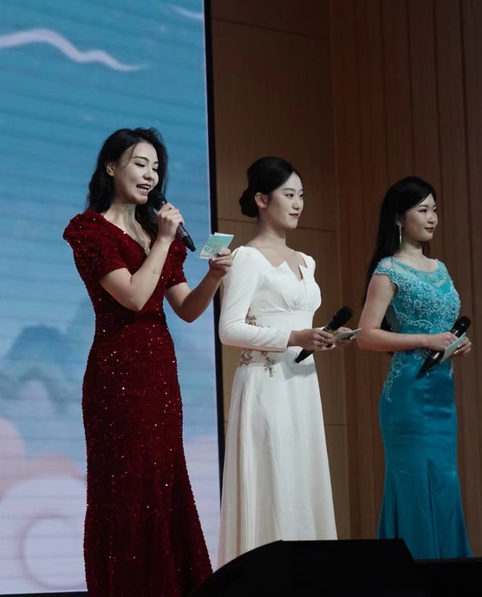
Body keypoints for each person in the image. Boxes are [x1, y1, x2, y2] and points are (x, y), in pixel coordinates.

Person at [62, 127, 230, 596]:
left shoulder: (158, 234)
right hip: (116, 371)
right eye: (140, 164)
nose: (150, 175)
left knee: (163, 481)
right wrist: (163, 240)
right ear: (111, 167)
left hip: (160, 372)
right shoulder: (90, 230)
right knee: (127, 487)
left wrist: (214, 277)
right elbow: (134, 297)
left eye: (156, 168)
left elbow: (187, 309)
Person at [217, 156, 347, 566]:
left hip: (302, 385)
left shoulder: (306, 261)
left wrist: (323, 336)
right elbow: (229, 330)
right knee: (273, 481)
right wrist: (292, 337)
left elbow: (299, 322)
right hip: (266, 384)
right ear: (261, 200)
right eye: (288, 195)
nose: (297, 204)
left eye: (301, 195)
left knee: (301, 482)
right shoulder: (246, 257)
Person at [358, 175, 472, 559]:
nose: (432, 218)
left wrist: (457, 343)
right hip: (407, 394)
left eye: (434, 210)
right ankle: (415, 576)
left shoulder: (440, 268)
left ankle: (449, 577)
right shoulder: (388, 270)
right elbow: (367, 336)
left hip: (442, 392)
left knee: (444, 483)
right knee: (414, 489)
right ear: (398, 217)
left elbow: (443, 327)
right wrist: (425, 340)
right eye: (422, 210)